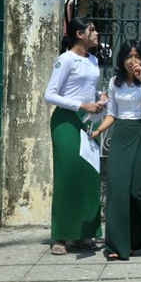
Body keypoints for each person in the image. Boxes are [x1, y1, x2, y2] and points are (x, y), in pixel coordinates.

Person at [91, 40, 141, 260]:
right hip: (121, 134)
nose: (132, 61)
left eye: (137, 57)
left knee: (138, 189)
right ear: (121, 59)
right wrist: (98, 131)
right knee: (116, 189)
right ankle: (119, 245)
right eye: (128, 56)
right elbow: (112, 114)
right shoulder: (115, 83)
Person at [43, 17, 105, 255]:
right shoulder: (65, 59)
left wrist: (99, 98)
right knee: (67, 178)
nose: (96, 33)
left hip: (87, 123)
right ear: (80, 34)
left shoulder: (93, 60)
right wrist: (82, 104)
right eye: (92, 30)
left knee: (88, 177)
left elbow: (88, 90)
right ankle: (60, 236)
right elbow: (50, 95)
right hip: (66, 123)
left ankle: (82, 234)